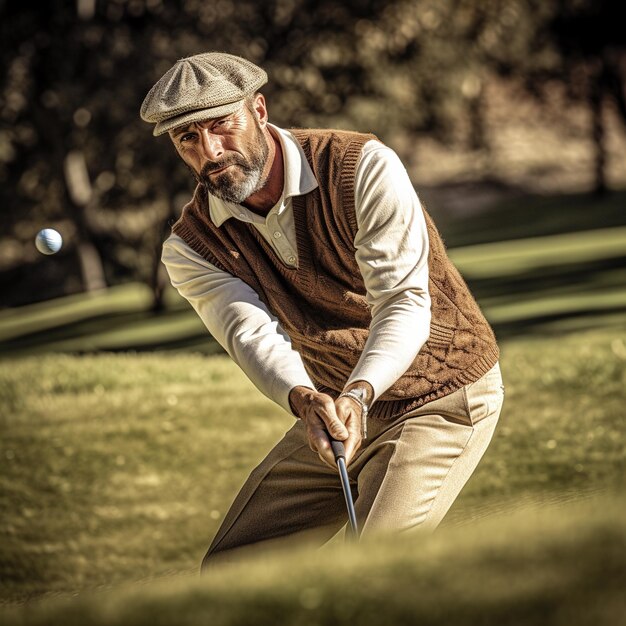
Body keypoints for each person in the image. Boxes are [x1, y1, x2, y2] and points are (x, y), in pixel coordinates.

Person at [140, 52, 504, 568]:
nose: (211, 150)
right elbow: (249, 335)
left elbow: (402, 301)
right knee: (230, 571)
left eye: (222, 125)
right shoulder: (192, 246)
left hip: (439, 397)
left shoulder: (362, 167)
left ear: (260, 111)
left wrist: (358, 394)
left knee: (373, 570)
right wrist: (305, 399)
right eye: (188, 139)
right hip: (333, 409)